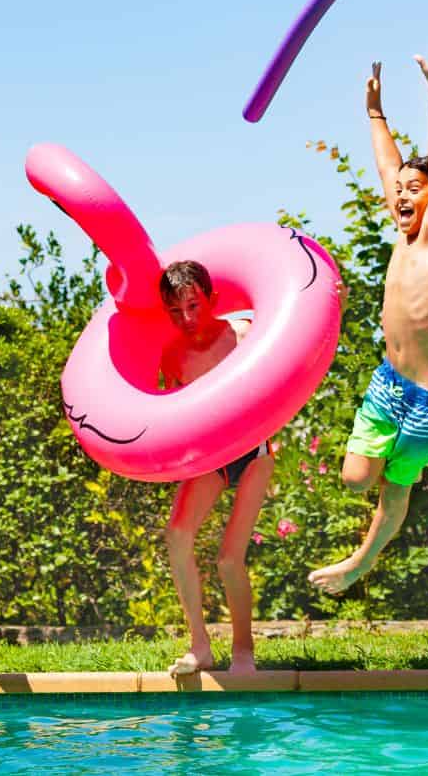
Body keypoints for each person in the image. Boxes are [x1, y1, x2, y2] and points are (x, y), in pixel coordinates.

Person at [308, 34, 428, 595]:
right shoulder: (402, 233)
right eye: (397, 190)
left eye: (413, 189)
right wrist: (375, 113)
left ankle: (361, 561)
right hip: (388, 385)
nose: (399, 194)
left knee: (394, 491)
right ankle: (363, 552)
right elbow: (387, 165)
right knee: (356, 479)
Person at [158, 260, 273, 678]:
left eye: (193, 305)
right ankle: (200, 646)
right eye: (175, 311)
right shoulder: (174, 355)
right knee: (177, 535)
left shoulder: (241, 335)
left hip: (252, 453)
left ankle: (243, 651)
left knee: (229, 558)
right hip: (211, 458)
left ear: (212, 300)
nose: (186, 318)